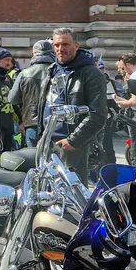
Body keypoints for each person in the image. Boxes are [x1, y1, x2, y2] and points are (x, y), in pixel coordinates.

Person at [39, 28, 108, 177]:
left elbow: (98, 113)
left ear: (76, 46)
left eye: (65, 44)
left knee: (72, 188)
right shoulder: (52, 69)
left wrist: (74, 141)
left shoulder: (91, 73)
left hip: (71, 145)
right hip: (47, 141)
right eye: (56, 45)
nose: (60, 49)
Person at [8, 41, 55, 147]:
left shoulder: (25, 73)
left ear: (34, 53)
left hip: (32, 123)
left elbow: (12, 99)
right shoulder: (58, 71)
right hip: (55, 123)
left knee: (34, 155)